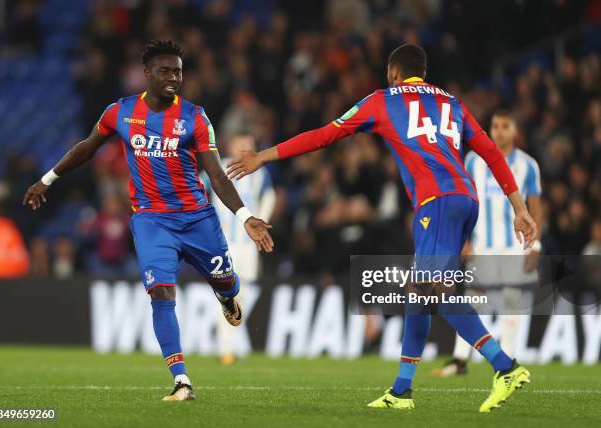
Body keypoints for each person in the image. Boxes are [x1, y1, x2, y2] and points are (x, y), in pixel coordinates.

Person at [226, 44, 537, 413]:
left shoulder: (383, 99)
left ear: (393, 73)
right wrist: (520, 207)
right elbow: (489, 151)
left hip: (435, 201)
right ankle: (402, 390)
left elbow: (325, 135)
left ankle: (505, 366)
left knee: (433, 290)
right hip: (466, 199)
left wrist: (264, 155)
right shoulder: (452, 102)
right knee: (419, 292)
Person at [23, 40, 274, 401]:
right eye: (166, 70)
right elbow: (87, 147)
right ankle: (181, 379)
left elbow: (217, 176)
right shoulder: (120, 112)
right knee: (160, 290)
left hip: (196, 218)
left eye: (179, 72)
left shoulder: (195, 117)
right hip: (151, 220)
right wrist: (47, 179)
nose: (174, 77)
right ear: (147, 74)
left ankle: (227, 295)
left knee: (226, 281)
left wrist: (246, 217)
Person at [432, 110, 543, 377]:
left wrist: (535, 245)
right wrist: (463, 239)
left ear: (515, 131)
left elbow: (535, 208)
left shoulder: (528, 165)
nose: (499, 131)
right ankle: (459, 360)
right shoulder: (473, 162)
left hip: (512, 245)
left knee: (511, 300)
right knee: (471, 300)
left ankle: (507, 361)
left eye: (505, 126)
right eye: (495, 126)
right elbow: (464, 200)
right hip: (481, 243)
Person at [206, 134, 276, 365]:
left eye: (249, 143)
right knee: (227, 295)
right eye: (240, 143)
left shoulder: (260, 173)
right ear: (230, 144)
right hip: (223, 245)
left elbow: (270, 197)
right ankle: (226, 349)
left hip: (248, 246)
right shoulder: (216, 169)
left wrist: (262, 225)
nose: (244, 147)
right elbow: (195, 189)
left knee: (242, 297)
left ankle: (231, 345)